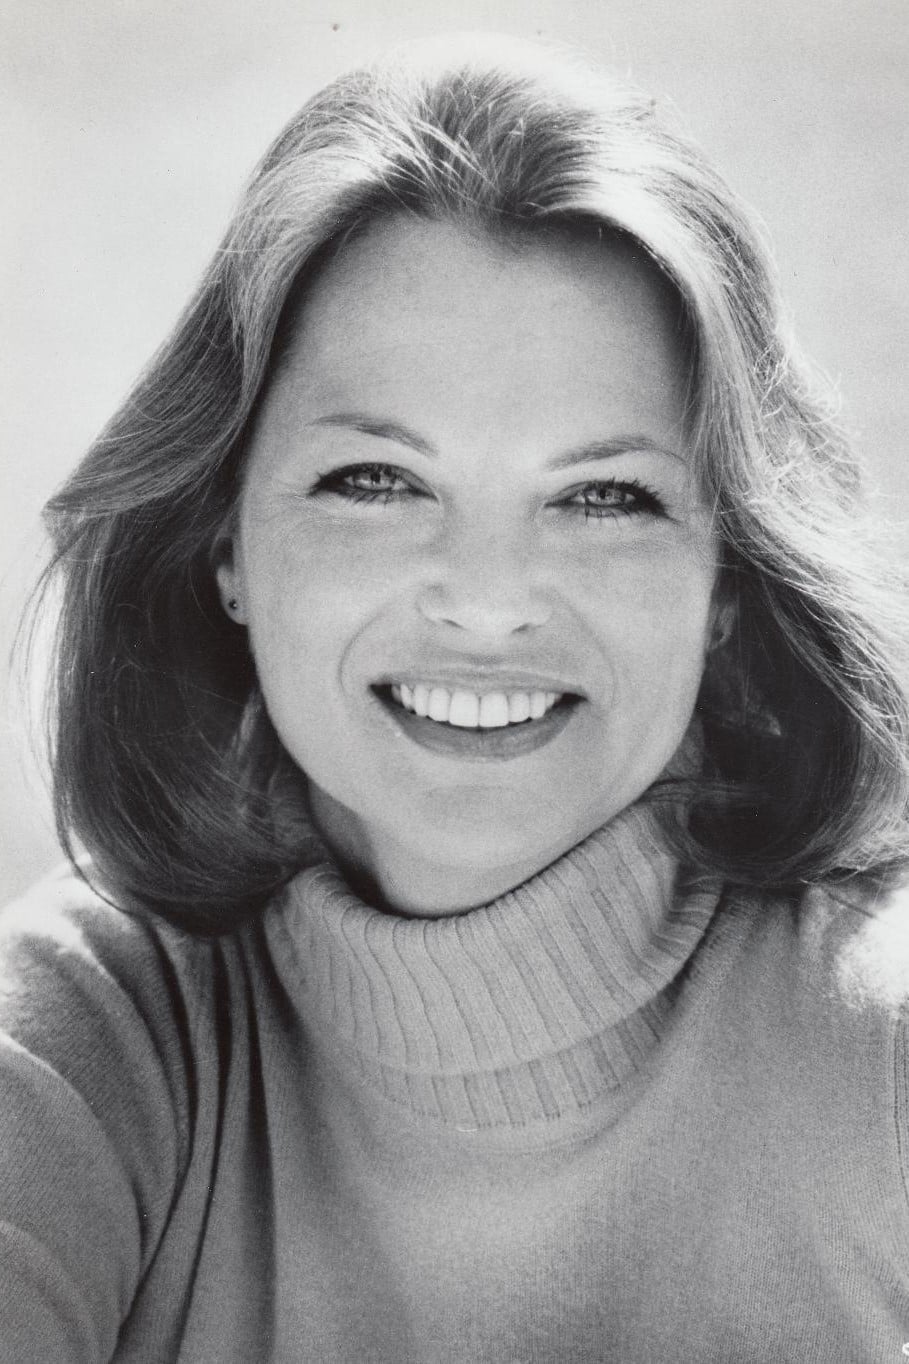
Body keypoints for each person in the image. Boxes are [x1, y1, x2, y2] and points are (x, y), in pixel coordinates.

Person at [3, 31, 909, 1362]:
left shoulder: (881, 1046)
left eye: (604, 497)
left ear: (724, 580)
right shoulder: (86, 1033)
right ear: (224, 544)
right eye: (376, 481)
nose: (487, 603)